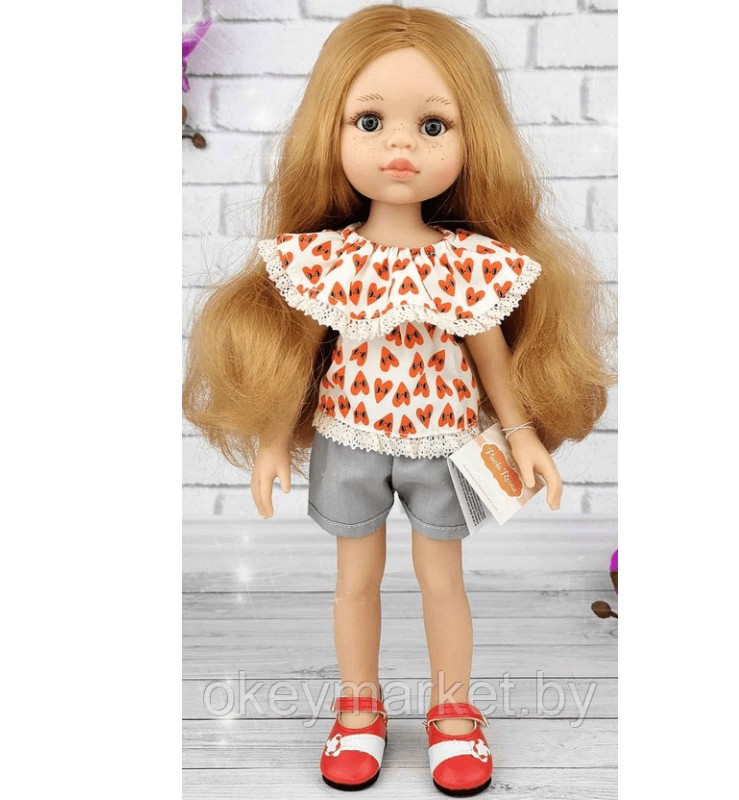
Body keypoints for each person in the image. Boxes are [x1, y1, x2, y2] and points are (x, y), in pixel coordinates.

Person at [183, 5, 616, 795]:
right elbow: (298, 355)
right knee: (355, 579)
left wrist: (521, 432)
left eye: (433, 126)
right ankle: (359, 709)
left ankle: (453, 714)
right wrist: (275, 441)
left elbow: (489, 349)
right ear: (331, 131)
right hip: (349, 436)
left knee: (442, 579)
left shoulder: (466, 262)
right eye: (371, 121)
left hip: (446, 443)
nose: (401, 146)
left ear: (474, 138)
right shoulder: (327, 260)